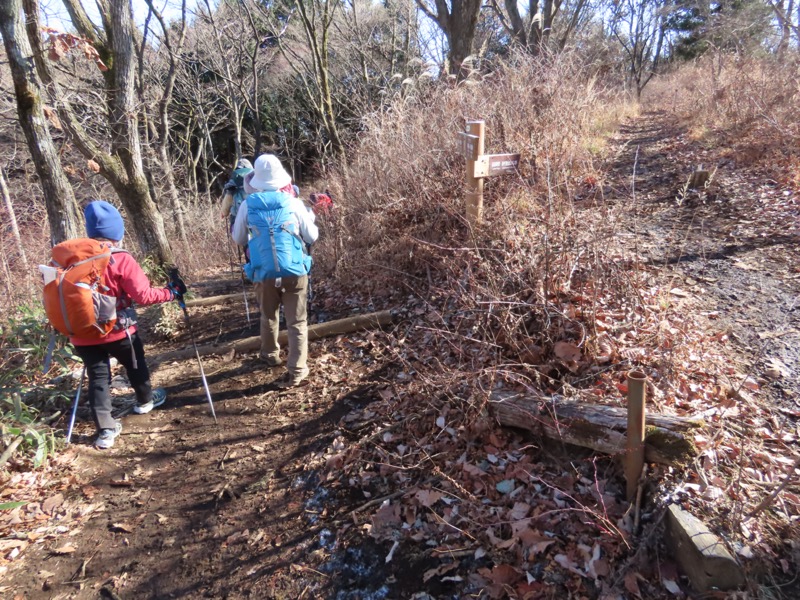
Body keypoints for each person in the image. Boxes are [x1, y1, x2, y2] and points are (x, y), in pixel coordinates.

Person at [71, 201, 185, 449]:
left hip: (82, 333)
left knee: (98, 378)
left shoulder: (71, 260)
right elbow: (143, 295)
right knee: (135, 363)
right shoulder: (120, 259)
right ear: (117, 233)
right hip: (117, 330)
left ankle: (105, 432)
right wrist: (171, 293)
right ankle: (145, 401)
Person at [232, 154, 318, 388]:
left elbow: (238, 238)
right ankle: (297, 369)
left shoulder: (248, 204)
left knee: (268, 315)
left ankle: (270, 355)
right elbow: (311, 236)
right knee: (297, 322)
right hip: (294, 271)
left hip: (263, 272)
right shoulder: (292, 202)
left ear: (256, 179)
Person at [220, 158, 254, 230]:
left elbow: (227, 201)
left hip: (236, 218)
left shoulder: (233, 182)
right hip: (254, 217)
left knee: (238, 239)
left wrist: (224, 213)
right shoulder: (256, 180)